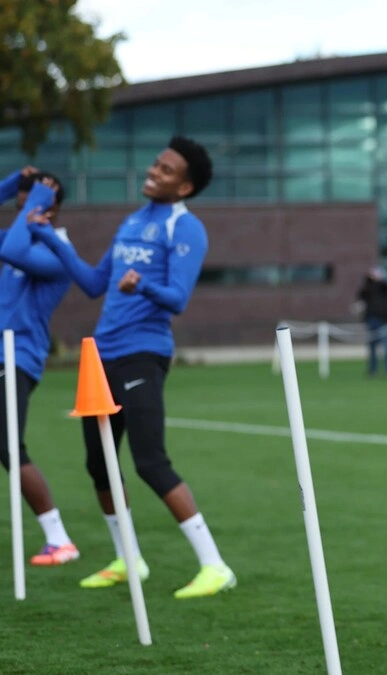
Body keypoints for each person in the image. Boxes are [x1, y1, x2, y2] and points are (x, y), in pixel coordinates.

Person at [30, 136, 236, 599]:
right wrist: (51, 238)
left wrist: (142, 285)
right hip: (100, 357)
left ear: (185, 187)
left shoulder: (185, 228)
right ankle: (128, 559)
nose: (153, 172)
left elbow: (177, 299)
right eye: (156, 164)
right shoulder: (132, 221)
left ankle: (215, 565)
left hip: (143, 352)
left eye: (166, 170)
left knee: (149, 462)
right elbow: (93, 283)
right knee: (99, 464)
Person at [0, 171, 81, 566]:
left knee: (8, 446)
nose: (23, 204)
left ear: (51, 206)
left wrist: (36, 200)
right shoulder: (15, 234)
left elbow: (15, 251)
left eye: (31, 199)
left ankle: (59, 539)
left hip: (16, 356)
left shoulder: (58, 249)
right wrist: (15, 180)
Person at [357, 266, 387, 377]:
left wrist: (380, 280)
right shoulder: (368, 287)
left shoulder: (384, 287)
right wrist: (369, 280)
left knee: (386, 346)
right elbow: (362, 294)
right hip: (372, 318)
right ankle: (372, 370)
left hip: (383, 319)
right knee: (372, 346)